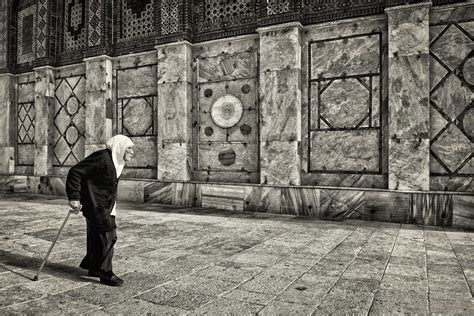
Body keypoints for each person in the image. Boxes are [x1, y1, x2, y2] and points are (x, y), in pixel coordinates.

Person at [66, 134, 134, 286]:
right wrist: (74, 197)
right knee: (109, 235)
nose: (132, 152)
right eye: (129, 148)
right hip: (97, 205)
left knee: (97, 236)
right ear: (120, 147)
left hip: (104, 205)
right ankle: (105, 272)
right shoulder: (102, 158)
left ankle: (94, 267)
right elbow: (75, 172)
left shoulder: (116, 161)